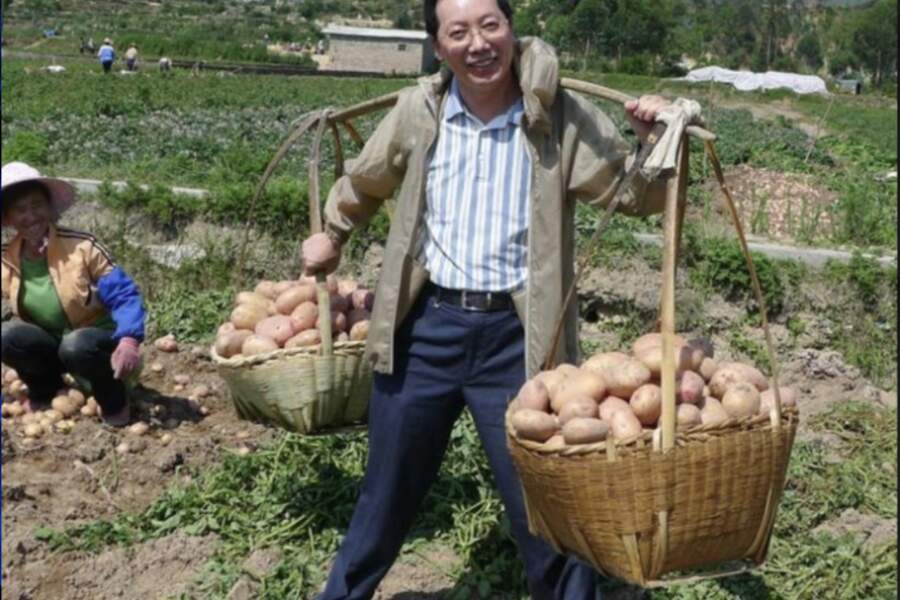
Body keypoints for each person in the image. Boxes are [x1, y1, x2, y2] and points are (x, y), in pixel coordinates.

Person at [301, 0, 677, 598]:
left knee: (547, 502)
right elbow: (367, 180)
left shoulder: (556, 116)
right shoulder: (418, 112)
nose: (478, 44)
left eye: (489, 25)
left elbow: (631, 195)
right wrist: (334, 231)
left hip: (517, 338)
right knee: (385, 493)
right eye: (459, 32)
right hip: (426, 330)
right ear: (439, 47)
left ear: (511, 30)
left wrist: (652, 142)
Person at [1, 162, 146, 427]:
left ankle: (114, 400)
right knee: (6, 336)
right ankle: (47, 390)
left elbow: (124, 294)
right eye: (20, 209)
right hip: (54, 345)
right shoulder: (6, 257)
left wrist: (129, 339)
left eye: (37, 205)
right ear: (8, 217)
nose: (30, 215)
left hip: (97, 346)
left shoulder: (82, 246)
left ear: (49, 208)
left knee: (76, 344)